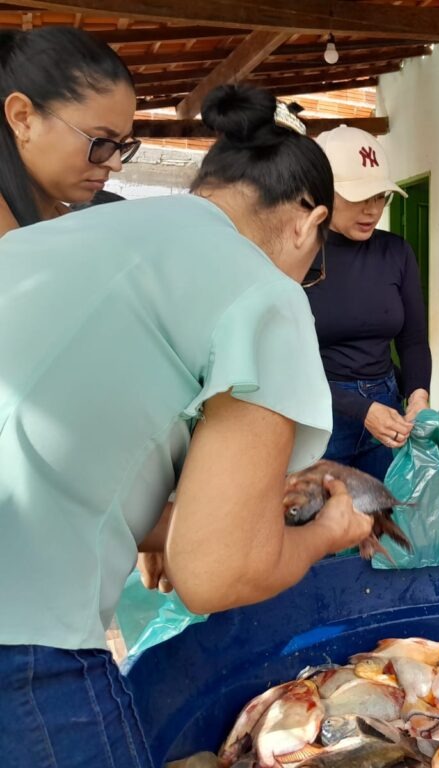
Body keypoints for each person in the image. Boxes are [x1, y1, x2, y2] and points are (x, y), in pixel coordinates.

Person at [0, 85, 374, 768]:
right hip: (23, 643)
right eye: (315, 262)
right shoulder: (263, 289)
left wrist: (171, 516)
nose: (306, 277)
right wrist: (328, 534)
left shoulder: (76, 236)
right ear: (306, 222)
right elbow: (214, 575)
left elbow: (52, 451)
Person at [303, 126, 431, 482]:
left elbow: (413, 340)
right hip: (323, 413)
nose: (372, 210)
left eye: (380, 197)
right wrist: (360, 409)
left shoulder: (396, 252)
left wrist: (418, 396)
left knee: (382, 524)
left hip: (387, 408)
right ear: (323, 193)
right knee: (321, 526)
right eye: (359, 197)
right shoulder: (300, 253)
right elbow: (287, 361)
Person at [0, 26, 139, 238]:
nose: (115, 164)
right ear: (23, 118)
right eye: (100, 142)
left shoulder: (59, 224)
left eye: (122, 146)